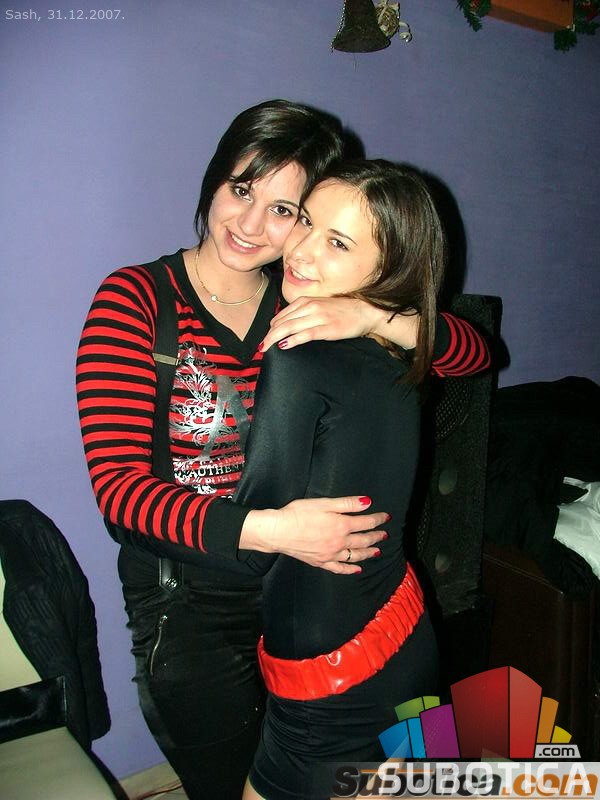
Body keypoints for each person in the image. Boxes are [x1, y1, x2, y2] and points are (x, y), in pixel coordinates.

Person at [76, 101, 489, 799]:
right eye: (241, 189)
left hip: (304, 601)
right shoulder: (138, 300)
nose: (251, 224)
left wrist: (375, 312)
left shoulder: (307, 297)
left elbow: (473, 354)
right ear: (214, 180)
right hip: (195, 607)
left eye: (284, 210)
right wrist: (273, 531)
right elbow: (119, 494)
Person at [233, 160, 489, 800]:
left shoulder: (298, 353)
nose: (301, 251)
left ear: (386, 271)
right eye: (306, 223)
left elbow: (249, 545)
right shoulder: (400, 350)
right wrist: (379, 316)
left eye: (338, 243)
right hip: (404, 633)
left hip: (331, 684)